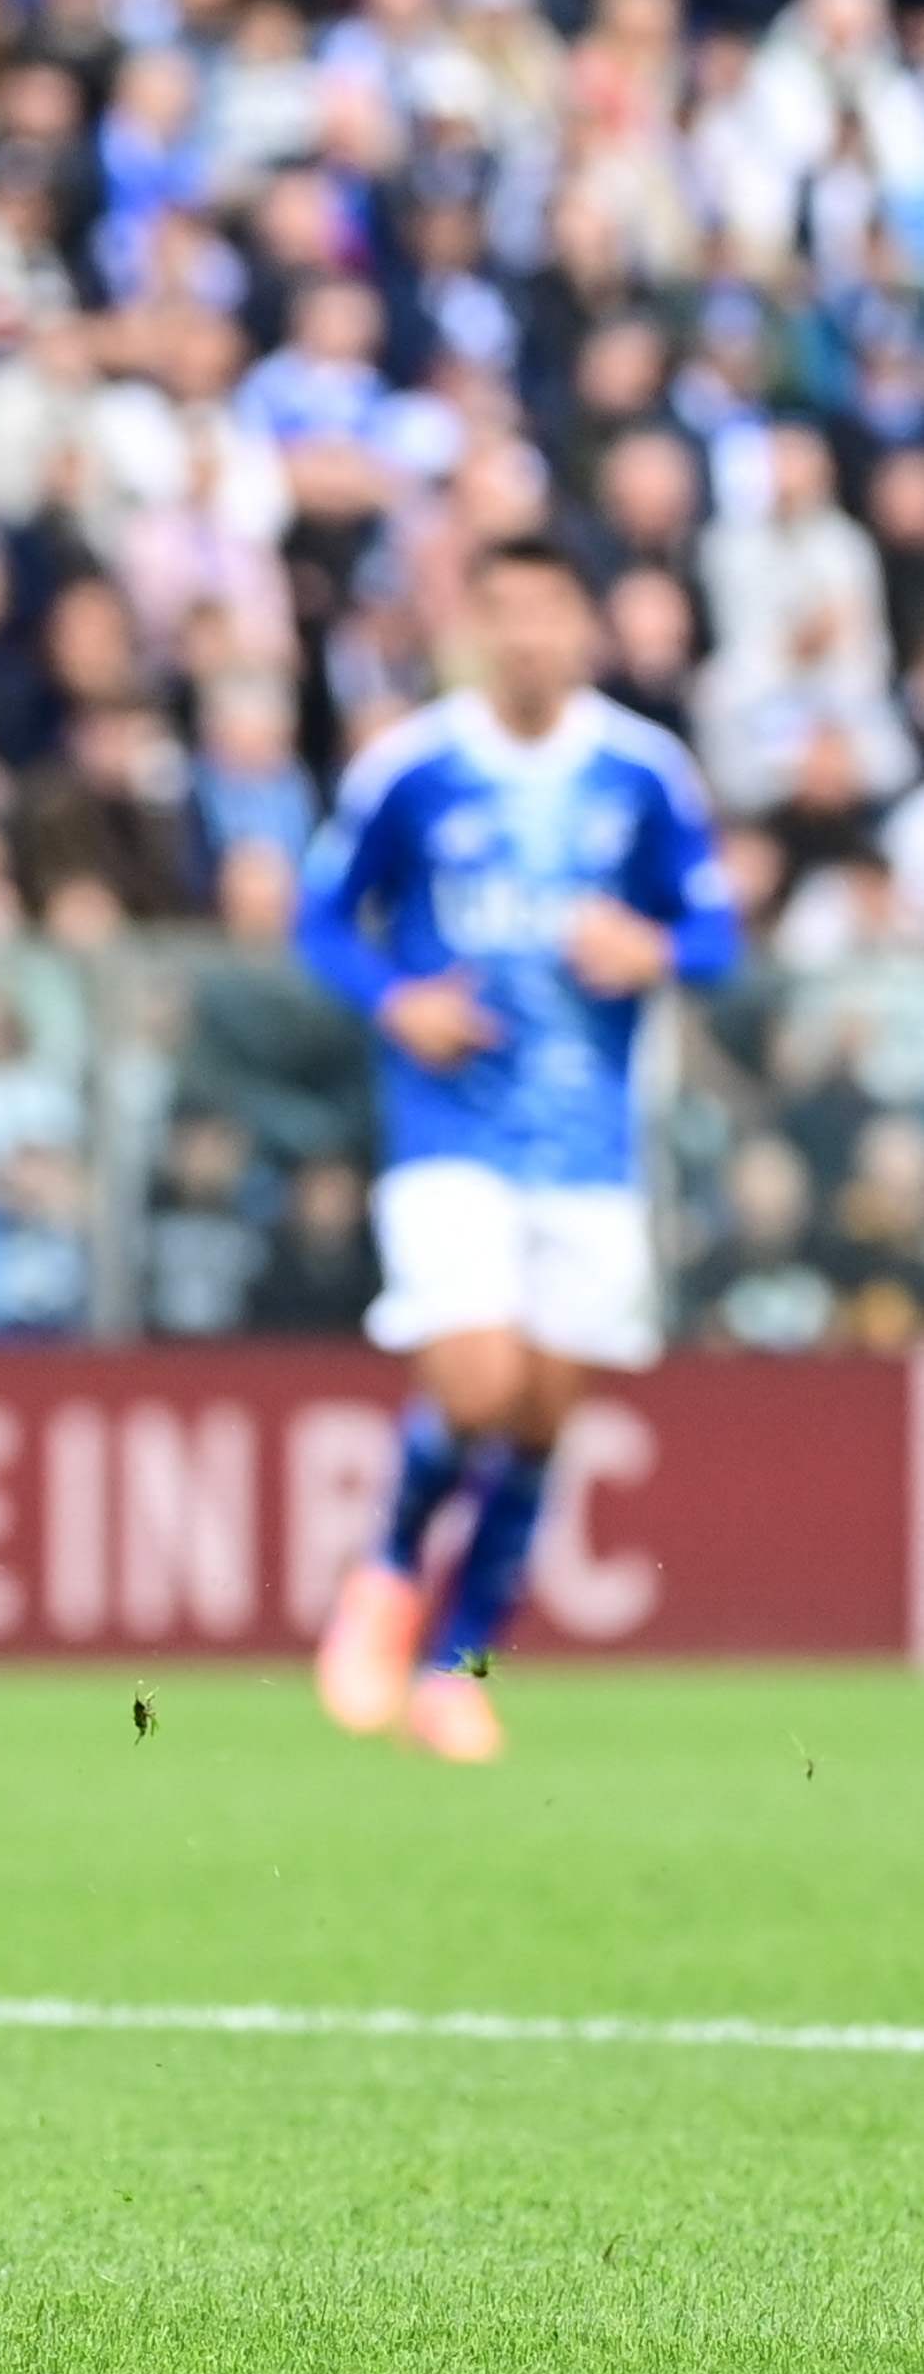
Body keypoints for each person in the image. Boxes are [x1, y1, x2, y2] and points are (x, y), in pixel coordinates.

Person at [298, 538, 739, 1763]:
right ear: (476, 628)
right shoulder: (414, 766)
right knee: (477, 1383)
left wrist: (656, 951)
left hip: (591, 1140)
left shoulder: (642, 772)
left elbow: (716, 934)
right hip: (451, 1127)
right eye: (506, 613)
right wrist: (398, 1000)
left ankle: (457, 1667)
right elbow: (321, 919)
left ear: (583, 626)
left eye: (551, 611)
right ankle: (387, 1576)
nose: (530, 636)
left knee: (543, 1417)